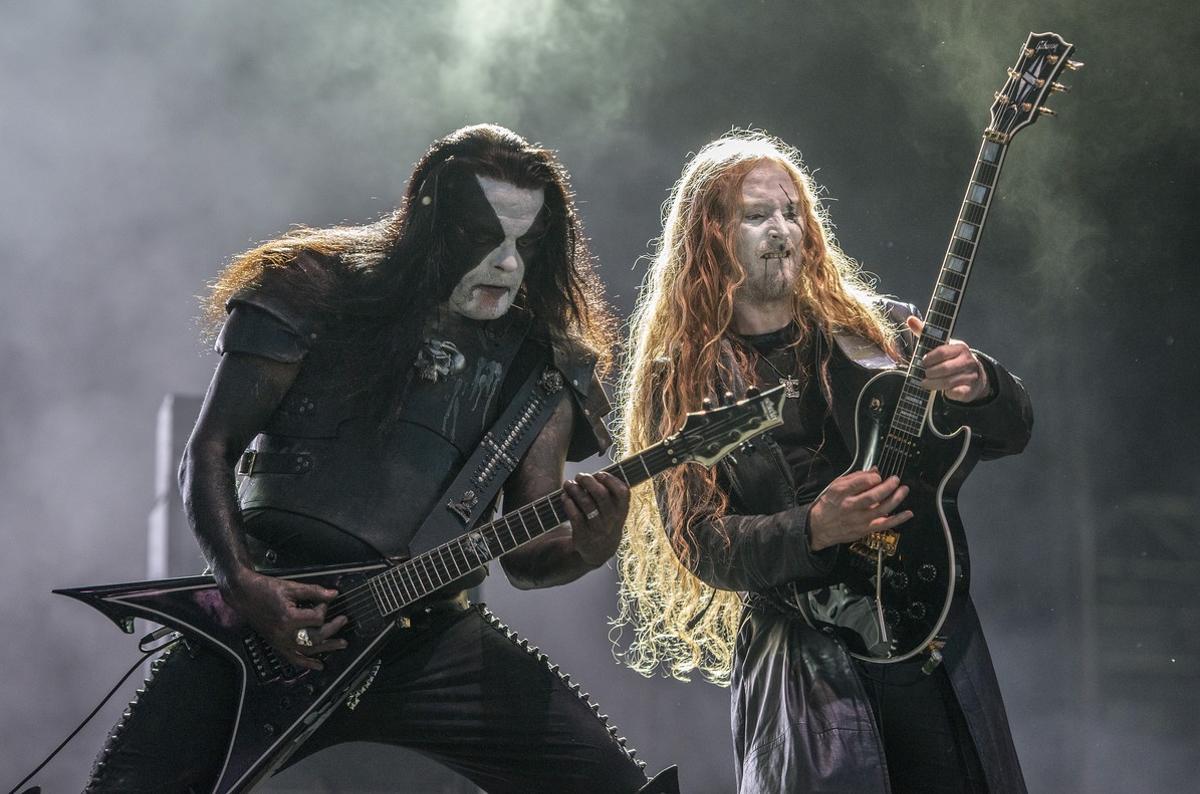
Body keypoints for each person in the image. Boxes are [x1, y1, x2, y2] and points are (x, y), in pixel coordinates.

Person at [86, 124, 676, 794]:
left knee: (611, 784)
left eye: (526, 241)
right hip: (275, 612)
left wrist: (590, 548)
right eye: (485, 237)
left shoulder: (543, 365)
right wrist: (245, 586)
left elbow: (525, 558)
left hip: (428, 639)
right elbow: (211, 449)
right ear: (430, 223)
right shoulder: (311, 288)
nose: (508, 264)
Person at [614, 130, 1033, 793]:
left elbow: (1009, 434)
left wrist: (983, 388)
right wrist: (814, 528)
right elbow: (699, 543)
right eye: (756, 215)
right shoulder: (685, 376)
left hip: (928, 631)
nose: (780, 230)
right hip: (809, 664)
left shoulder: (878, 334)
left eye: (791, 212)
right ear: (710, 238)